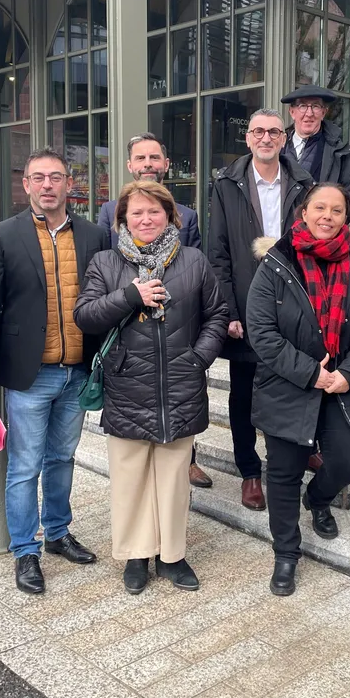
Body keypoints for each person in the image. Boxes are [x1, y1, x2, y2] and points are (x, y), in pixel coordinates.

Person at [74, 181, 227, 595]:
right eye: (136, 212)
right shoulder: (105, 263)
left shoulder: (193, 260)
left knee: (174, 477)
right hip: (128, 384)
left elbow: (217, 314)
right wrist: (130, 295)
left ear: (170, 216)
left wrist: (199, 358)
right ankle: (137, 555)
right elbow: (85, 316)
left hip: (181, 383)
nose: (146, 219)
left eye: (155, 212)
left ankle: (172, 555)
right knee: (130, 476)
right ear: (122, 218)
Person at [0, 148, 108, 595]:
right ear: (26, 184)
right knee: (25, 465)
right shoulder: (2, 236)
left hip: (77, 372)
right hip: (29, 374)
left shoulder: (93, 236)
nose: (48, 185)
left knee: (62, 459)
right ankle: (24, 552)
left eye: (56, 177)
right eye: (38, 178)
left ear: (70, 184)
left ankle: (57, 533)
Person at [246, 183, 350, 596]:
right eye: (320, 207)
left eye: (337, 210)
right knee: (282, 473)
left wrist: (348, 374)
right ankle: (286, 554)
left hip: (340, 384)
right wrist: (309, 372)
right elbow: (262, 333)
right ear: (303, 212)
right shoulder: (276, 261)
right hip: (288, 383)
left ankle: (318, 500)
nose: (327, 216)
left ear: (345, 218)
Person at [208, 108, 313, 510]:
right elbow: (217, 252)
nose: (266, 138)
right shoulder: (227, 184)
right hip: (247, 305)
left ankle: (302, 451)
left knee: (298, 382)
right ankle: (250, 471)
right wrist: (229, 310)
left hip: (297, 303)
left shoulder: (304, 184)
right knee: (244, 394)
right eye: (257, 131)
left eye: (273, 131)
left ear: (283, 138)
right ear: (248, 139)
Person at [95, 132, 210, 489]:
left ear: (165, 165)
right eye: (141, 158)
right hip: (129, 326)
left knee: (180, 398)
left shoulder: (187, 216)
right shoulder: (109, 210)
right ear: (130, 166)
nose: (148, 164)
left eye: (154, 158)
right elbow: (101, 267)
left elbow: (197, 272)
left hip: (176, 328)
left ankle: (186, 460)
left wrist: (198, 351)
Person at [280, 85, 350, 207]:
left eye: (315, 106)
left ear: (324, 112)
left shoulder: (341, 153)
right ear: (292, 112)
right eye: (302, 106)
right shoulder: (276, 146)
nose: (309, 113)